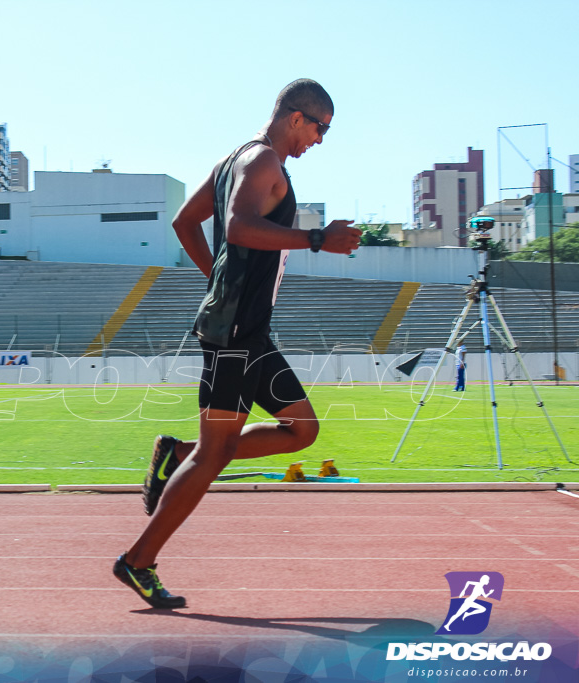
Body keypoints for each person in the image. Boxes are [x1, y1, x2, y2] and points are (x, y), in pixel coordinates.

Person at [112, 79, 362, 609]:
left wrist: (216, 279)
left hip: (246, 331)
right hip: (234, 336)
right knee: (214, 456)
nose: (320, 140)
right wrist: (319, 239)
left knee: (301, 430)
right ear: (297, 117)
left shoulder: (236, 160)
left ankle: (175, 455)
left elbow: (185, 222)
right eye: (321, 128)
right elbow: (239, 227)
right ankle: (137, 561)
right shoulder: (263, 163)